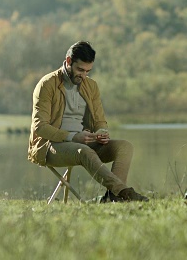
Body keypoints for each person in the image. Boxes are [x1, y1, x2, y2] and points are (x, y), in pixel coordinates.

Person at [28, 41, 148, 202]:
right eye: (80, 70)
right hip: (51, 146)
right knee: (83, 151)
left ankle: (112, 198)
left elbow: (100, 121)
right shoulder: (47, 84)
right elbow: (40, 127)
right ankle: (123, 193)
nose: (83, 75)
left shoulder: (91, 86)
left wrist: (101, 133)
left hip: (84, 142)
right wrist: (72, 137)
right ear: (68, 61)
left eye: (88, 71)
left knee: (125, 147)